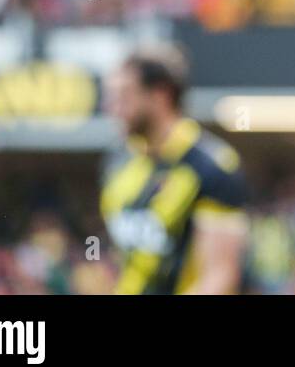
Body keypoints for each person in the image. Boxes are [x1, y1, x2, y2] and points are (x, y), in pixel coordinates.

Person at [102, 42, 248, 293]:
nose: (113, 109)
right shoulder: (118, 161)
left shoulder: (212, 166)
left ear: (160, 95)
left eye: (125, 96)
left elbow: (220, 275)